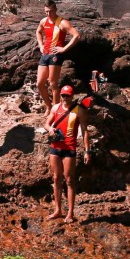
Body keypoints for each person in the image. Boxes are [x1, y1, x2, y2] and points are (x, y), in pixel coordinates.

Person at [44, 85, 90, 223]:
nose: (65, 98)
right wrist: (50, 129)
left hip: (69, 148)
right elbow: (47, 124)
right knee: (56, 178)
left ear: (72, 96)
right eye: (63, 95)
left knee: (69, 180)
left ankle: (70, 212)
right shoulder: (55, 107)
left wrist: (87, 151)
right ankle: (57, 210)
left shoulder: (79, 110)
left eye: (67, 96)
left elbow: (85, 131)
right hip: (55, 147)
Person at [35, 0, 81, 112]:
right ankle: (48, 106)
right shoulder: (44, 21)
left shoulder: (62, 22)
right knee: (39, 83)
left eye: (50, 11)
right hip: (45, 54)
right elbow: (38, 32)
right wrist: (40, 45)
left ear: (55, 9)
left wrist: (64, 48)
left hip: (55, 55)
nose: (48, 14)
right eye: (46, 12)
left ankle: (55, 111)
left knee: (53, 83)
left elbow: (76, 35)